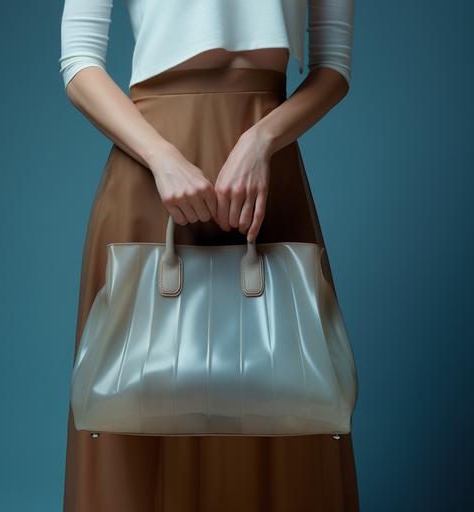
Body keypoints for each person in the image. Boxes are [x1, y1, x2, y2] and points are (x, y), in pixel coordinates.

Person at [58, 0, 359, 510]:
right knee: (132, 401)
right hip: (151, 166)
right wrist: (160, 157)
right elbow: (78, 60)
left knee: (281, 390)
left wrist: (263, 140)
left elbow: (335, 67)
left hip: (264, 170)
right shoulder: (156, 159)